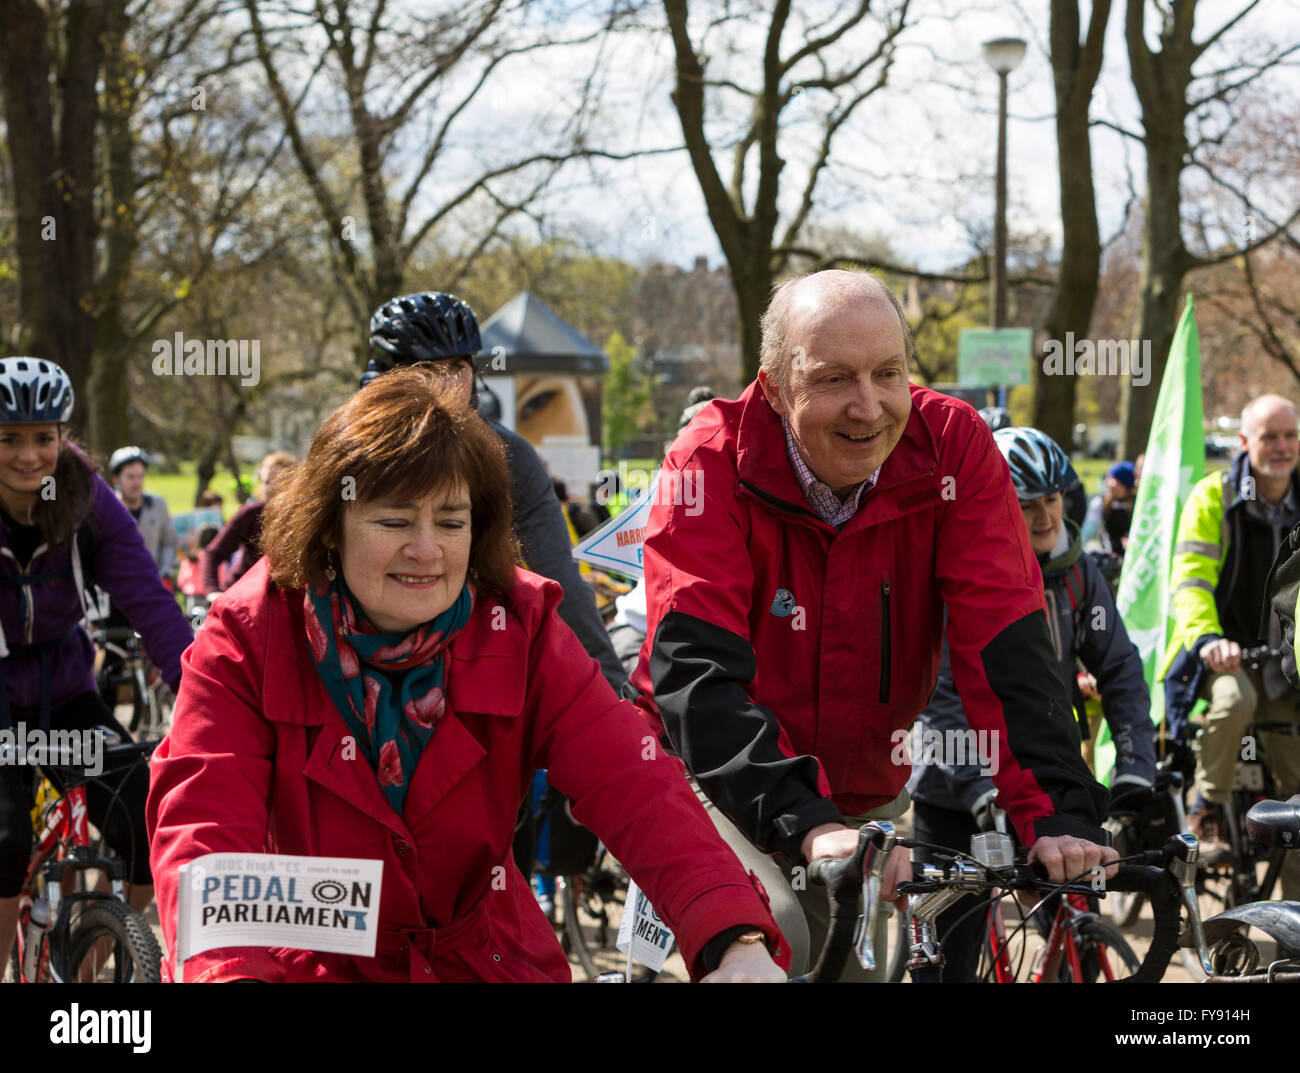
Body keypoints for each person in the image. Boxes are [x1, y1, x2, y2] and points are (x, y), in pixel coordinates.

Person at [147, 367, 788, 983]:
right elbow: (203, 822)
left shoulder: (521, 624)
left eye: (451, 522)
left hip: (485, 960)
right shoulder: (248, 633)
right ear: (330, 528)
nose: (427, 550)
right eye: (394, 520)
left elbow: (635, 779)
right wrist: (227, 973)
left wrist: (733, 936)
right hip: (313, 966)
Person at [629, 269, 1115, 980]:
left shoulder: (953, 444)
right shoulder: (706, 460)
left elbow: (1004, 639)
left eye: (889, 373)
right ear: (772, 387)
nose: (869, 406)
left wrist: (1058, 810)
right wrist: (808, 821)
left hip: (867, 789)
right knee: (786, 943)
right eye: (833, 379)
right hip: (720, 776)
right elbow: (696, 676)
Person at [908, 426, 1156, 981]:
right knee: (946, 964)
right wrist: (980, 787)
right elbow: (941, 696)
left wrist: (1139, 769)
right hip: (955, 793)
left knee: (1082, 945)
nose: (1045, 517)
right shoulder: (957, 569)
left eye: (1052, 499)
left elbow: (1119, 670)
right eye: (1026, 504)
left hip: (1048, 782)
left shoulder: (1079, 571)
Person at [0, 358, 192, 972]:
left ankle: (97, 960)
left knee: (146, 818)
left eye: (44, 437)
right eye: (9, 439)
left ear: (63, 435)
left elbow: (149, 601)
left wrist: (201, 695)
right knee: (4, 845)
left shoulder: (84, 497)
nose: (30, 456)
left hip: (69, 696)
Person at [365, 292, 625, 691]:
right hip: (354, 657)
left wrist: (615, 694)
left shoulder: (509, 457)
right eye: (426, 369)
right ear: (385, 374)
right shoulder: (348, 449)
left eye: (457, 366)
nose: (446, 383)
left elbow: (560, 583)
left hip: (470, 663)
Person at [1163, 393, 1300, 898]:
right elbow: (1191, 580)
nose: (1282, 447)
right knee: (1233, 702)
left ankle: (1295, 917)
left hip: (1287, 664)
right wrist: (1208, 639)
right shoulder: (1213, 496)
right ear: (1245, 443)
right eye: (1269, 437)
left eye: (1290, 435)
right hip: (1226, 656)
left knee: (1297, 788)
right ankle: (1206, 809)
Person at [199, 451, 296, 594]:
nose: (270, 488)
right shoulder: (251, 513)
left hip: (285, 598)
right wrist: (212, 591)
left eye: (277, 482)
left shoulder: (301, 517)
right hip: (244, 593)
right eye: (266, 482)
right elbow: (213, 552)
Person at [109, 446, 178, 578]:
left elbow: (169, 542)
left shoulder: (158, 504)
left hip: (152, 583)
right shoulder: (107, 508)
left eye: (140, 476)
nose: (137, 483)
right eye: (130, 477)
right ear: (116, 479)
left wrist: (166, 568)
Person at [1080, 460, 1137, 554]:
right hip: (1110, 557)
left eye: (1113, 479)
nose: (1108, 483)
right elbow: (1088, 532)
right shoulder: (1100, 504)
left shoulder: (1135, 504)